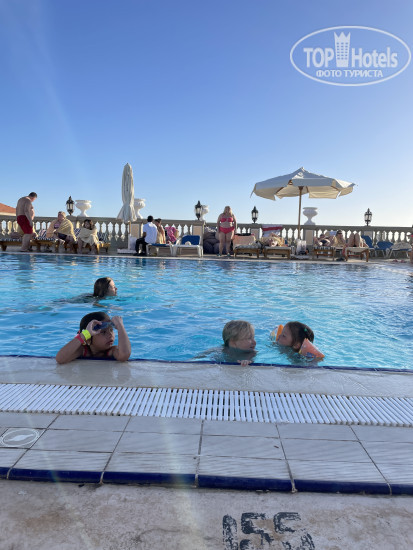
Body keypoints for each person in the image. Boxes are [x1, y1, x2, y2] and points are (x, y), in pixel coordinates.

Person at [56, 311, 131, 364]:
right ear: (88, 339)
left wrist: (120, 326)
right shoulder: (82, 350)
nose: (110, 335)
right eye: (103, 332)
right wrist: (85, 334)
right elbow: (60, 359)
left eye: (111, 330)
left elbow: (124, 355)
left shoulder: (111, 351)